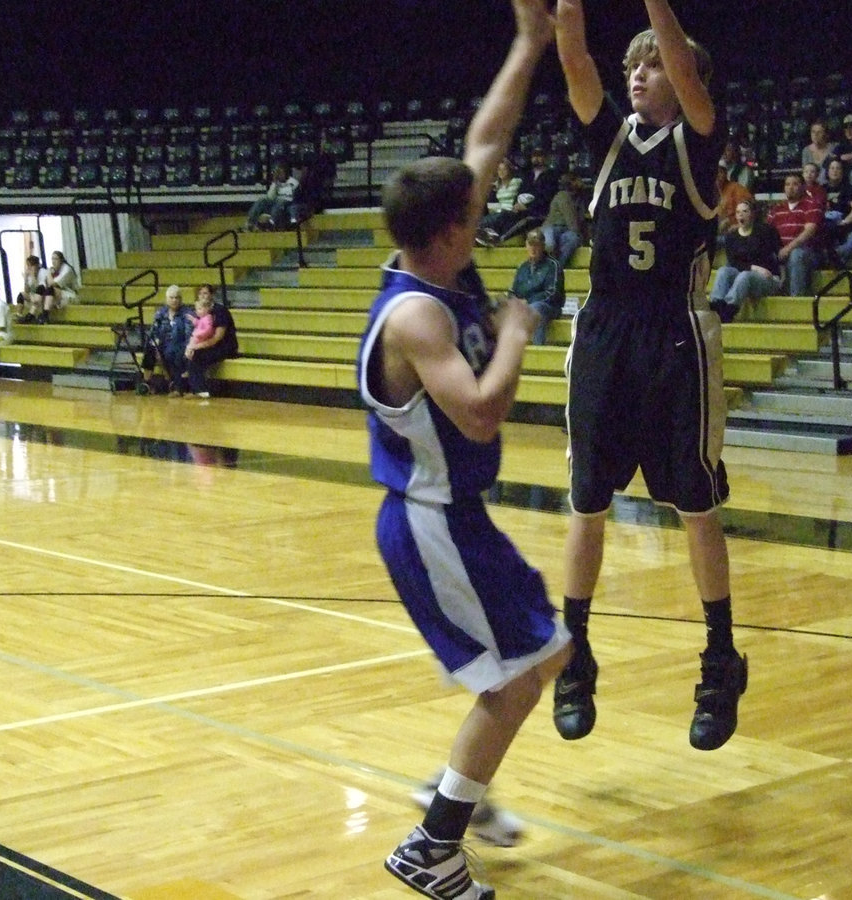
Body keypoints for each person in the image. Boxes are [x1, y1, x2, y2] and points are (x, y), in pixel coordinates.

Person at [363, 4, 570, 897]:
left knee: (544, 656)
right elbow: (482, 414)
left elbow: (489, 133)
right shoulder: (417, 314)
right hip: (429, 522)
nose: (486, 211)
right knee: (517, 680)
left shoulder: (440, 256)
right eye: (475, 213)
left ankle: (462, 787)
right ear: (449, 230)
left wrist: (530, 42)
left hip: (458, 515)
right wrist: (519, 327)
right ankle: (433, 844)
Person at [552, 0, 748, 753]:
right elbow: (574, 57)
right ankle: (574, 654)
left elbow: (687, 72)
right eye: (632, 64)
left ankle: (721, 659)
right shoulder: (609, 142)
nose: (638, 73)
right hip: (606, 329)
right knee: (587, 501)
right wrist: (570, 11)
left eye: (653, 63)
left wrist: (657, 11)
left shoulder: (697, 142)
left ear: (686, 76)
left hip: (674, 332)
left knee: (696, 504)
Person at [709, 200, 781, 322]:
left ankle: (729, 308)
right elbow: (733, 262)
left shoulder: (765, 231)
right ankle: (716, 305)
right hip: (746, 274)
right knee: (723, 271)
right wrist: (754, 267)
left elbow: (777, 253)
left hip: (767, 277)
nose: (741, 215)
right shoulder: (731, 237)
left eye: (745, 211)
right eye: (738, 212)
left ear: (752, 214)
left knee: (745, 275)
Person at [766, 173, 822, 296]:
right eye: (787, 184)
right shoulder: (776, 209)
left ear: (803, 187)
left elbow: (810, 231)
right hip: (780, 252)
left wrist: (788, 248)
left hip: (807, 252)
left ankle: (796, 299)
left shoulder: (811, 204)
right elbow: (766, 233)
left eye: (795, 184)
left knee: (796, 254)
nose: (790, 187)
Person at [510, 228, 564, 343]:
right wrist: (515, 303)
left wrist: (527, 302)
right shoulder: (522, 267)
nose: (533, 249)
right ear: (526, 245)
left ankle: (538, 349)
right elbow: (512, 292)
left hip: (548, 307)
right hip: (524, 306)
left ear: (543, 246)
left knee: (536, 309)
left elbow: (552, 294)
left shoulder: (553, 265)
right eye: (531, 245)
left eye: (537, 245)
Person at [184, 283, 237, 398]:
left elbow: (217, 338)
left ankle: (200, 390)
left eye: (206, 293)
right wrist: (191, 346)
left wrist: (196, 347)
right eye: (200, 293)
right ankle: (193, 387)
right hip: (210, 345)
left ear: (211, 295)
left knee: (197, 355)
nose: (203, 296)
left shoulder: (220, 311)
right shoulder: (199, 311)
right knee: (189, 353)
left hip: (225, 345)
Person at [142, 283, 193, 395]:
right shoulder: (161, 313)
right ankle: (146, 383)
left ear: (181, 299)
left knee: (171, 351)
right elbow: (153, 331)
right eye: (172, 297)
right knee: (150, 348)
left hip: (179, 343)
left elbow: (189, 334)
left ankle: (173, 382)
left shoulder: (187, 313)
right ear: (166, 299)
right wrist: (155, 346)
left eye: (177, 297)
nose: (174, 300)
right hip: (162, 343)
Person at [476, 157, 525, 245]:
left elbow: (523, 194)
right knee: (490, 217)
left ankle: (482, 232)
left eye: (504, 169)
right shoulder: (497, 186)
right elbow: (492, 204)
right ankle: (485, 235)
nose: (501, 172)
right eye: (499, 170)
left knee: (499, 216)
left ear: (509, 170)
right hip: (499, 212)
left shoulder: (517, 182)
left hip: (511, 212)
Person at [542, 171, 586, 268]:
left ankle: (557, 268)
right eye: (576, 180)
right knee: (550, 243)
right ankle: (545, 268)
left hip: (566, 231)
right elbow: (571, 219)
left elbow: (581, 220)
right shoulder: (563, 195)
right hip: (552, 226)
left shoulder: (579, 199)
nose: (581, 182)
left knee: (573, 239)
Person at [823, 157, 852, 246]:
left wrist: (845, 222)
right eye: (832, 168)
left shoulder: (849, 189)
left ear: (843, 172)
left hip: (840, 225)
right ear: (827, 171)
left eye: (838, 168)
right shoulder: (821, 189)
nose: (835, 171)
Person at [245, 162, 297, 231]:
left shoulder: (293, 182)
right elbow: (270, 197)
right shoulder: (276, 183)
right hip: (275, 203)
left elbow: (295, 197)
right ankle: (250, 222)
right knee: (262, 199)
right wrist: (275, 183)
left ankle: (271, 222)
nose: (279, 175)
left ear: (286, 173)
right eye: (278, 173)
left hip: (287, 203)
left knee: (280, 200)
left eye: (281, 173)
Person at [33, 250, 79, 323]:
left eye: (56, 259)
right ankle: (32, 314)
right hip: (60, 293)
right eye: (52, 259)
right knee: (41, 288)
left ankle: (45, 314)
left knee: (50, 289)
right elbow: (47, 284)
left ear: (61, 260)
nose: (53, 261)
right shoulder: (55, 269)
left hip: (71, 295)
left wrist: (48, 273)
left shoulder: (66, 269)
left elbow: (52, 284)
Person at [715, 164, 753, 246]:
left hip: (736, 235)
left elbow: (750, 211)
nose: (717, 175)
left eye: (720, 172)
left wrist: (737, 225)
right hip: (719, 234)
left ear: (725, 174)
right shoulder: (713, 192)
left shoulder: (736, 188)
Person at [15, 254, 50, 324]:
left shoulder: (43, 272)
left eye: (31, 265)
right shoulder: (30, 275)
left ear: (36, 265)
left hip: (44, 295)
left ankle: (31, 315)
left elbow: (41, 287)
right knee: (21, 295)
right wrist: (25, 280)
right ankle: (19, 314)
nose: (29, 268)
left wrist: (33, 276)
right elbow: (27, 291)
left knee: (38, 293)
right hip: (34, 295)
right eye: (28, 266)